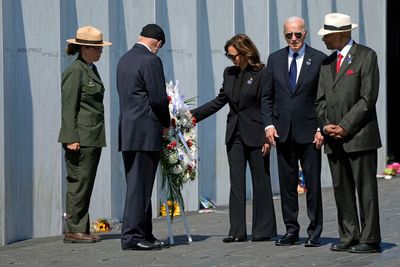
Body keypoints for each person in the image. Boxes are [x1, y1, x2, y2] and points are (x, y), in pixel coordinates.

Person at [191, 34, 277, 243]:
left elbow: (268, 105)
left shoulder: (263, 74)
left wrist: (268, 134)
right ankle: (236, 231)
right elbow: (220, 100)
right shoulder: (228, 73)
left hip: (257, 135)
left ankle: (262, 230)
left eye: (235, 56)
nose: (233, 60)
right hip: (234, 135)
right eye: (230, 57)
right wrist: (192, 116)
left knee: (261, 181)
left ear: (247, 52)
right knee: (236, 183)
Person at [316, 13, 382, 253]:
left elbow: (368, 98)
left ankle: (370, 238)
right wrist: (326, 125)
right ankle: (349, 235)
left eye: (327, 36)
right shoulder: (326, 63)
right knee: (341, 188)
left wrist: (345, 125)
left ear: (341, 34)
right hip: (333, 138)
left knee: (365, 189)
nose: (323, 40)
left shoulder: (366, 56)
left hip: (359, 136)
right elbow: (320, 100)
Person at [261, 16, 326, 247]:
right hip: (282, 132)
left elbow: (324, 98)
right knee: (287, 185)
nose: (294, 39)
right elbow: (267, 97)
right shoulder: (275, 59)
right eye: (289, 35)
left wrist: (322, 127)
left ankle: (314, 232)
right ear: (284, 34)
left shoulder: (319, 59)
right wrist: (268, 124)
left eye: (297, 34)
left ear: (305, 33)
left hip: (310, 132)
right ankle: (291, 230)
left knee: (312, 184)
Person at [117, 24, 171, 251]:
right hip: (146, 131)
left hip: (129, 131)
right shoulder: (151, 60)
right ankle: (131, 237)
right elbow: (158, 98)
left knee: (139, 185)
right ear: (157, 43)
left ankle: (145, 233)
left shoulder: (124, 59)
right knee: (139, 187)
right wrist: (167, 123)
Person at [58, 26, 112, 243]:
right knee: (78, 182)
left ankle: (81, 226)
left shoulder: (89, 68)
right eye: (97, 48)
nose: (100, 52)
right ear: (84, 49)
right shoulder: (75, 72)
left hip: (92, 136)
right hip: (80, 137)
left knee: (86, 182)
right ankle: (74, 229)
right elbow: (68, 108)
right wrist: (71, 137)